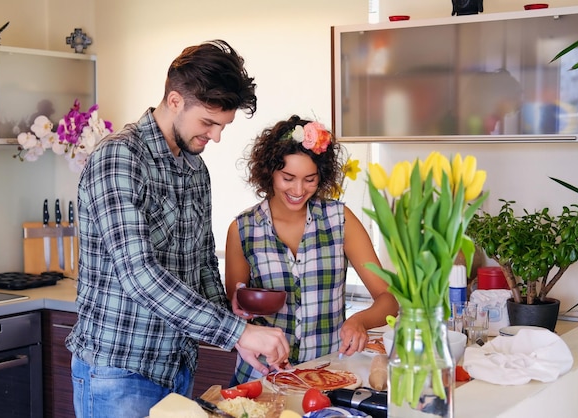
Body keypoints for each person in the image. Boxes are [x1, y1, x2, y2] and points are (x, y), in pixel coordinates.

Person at [65, 40, 290, 418]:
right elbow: (139, 275)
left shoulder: (195, 170)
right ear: (174, 100)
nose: (216, 137)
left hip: (177, 366)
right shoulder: (119, 157)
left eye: (222, 126)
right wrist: (237, 333)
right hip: (119, 372)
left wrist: (235, 331)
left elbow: (201, 262)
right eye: (208, 123)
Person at [224, 115, 399, 384]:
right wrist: (238, 305)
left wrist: (360, 321)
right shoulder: (243, 229)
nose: (298, 189)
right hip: (260, 379)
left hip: (327, 376)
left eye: (310, 179)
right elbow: (233, 310)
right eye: (288, 177)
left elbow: (388, 297)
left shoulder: (340, 220)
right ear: (269, 171)